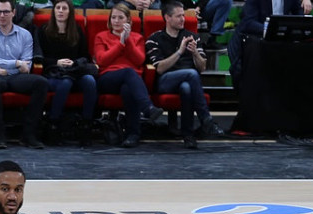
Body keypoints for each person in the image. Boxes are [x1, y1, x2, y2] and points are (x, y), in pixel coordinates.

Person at [146, 0, 223, 149]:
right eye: (178, 16)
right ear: (167, 18)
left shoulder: (193, 37)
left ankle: (188, 135)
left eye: (183, 15)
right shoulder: (154, 39)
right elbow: (160, 69)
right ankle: (206, 119)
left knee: (186, 87)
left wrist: (195, 53)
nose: (183, 19)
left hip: (188, 80)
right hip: (165, 81)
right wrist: (180, 51)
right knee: (191, 74)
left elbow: (202, 68)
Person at [0, 0, 49, 149]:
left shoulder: (25, 35)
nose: (2, 15)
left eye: (6, 12)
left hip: (16, 77)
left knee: (41, 83)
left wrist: (6, 67)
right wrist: (16, 63)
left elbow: (27, 66)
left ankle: (28, 134)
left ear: (13, 13)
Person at [94, 3, 163, 148]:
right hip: (108, 78)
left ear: (128, 21)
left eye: (120, 18)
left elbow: (139, 60)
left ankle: (133, 135)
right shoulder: (101, 36)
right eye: (113, 17)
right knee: (129, 71)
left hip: (131, 81)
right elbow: (101, 60)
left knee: (127, 89)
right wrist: (120, 43)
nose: (116, 21)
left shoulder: (137, 38)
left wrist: (128, 39)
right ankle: (148, 108)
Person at [36, 0, 97, 146]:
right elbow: (39, 58)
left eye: (64, 8)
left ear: (70, 12)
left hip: (74, 71)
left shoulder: (77, 30)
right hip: (53, 73)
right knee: (65, 83)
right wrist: (57, 62)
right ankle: (53, 124)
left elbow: (85, 56)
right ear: (54, 11)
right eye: (58, 8)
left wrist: (74, 63)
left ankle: (86, 125)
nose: (61, 11)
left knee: (89, 81)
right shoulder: (44, 30)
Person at [227, 0, 308, 89]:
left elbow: (299, 15)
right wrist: (271, 29)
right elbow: (248, 22)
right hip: (248, 41)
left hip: (275, 42)